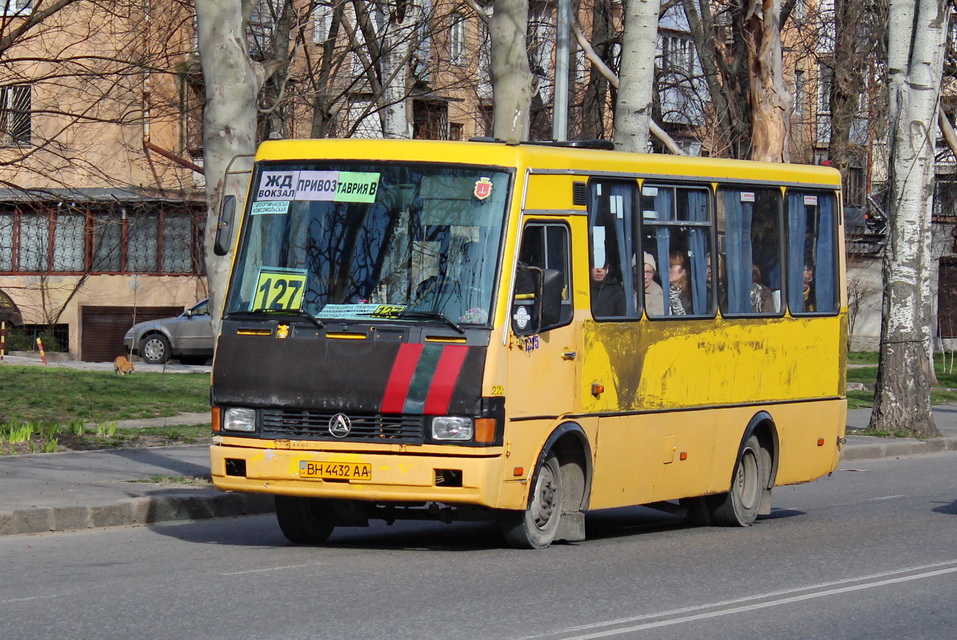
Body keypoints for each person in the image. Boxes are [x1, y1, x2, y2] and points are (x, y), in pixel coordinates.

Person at [668, 250, 692, 315]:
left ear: (684, 271)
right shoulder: (663, 292)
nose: (667, 270)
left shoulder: (689, 296)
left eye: (671, 266)